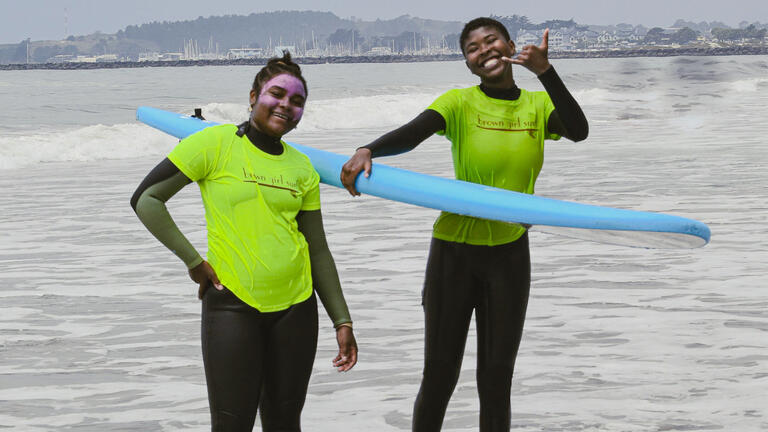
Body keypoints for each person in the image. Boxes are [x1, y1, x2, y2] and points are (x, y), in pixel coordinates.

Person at [340, 17, 588, 431]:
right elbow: (412, 134)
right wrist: (370, 149)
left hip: (509, 255)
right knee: (439, 375)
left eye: (491, 41)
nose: (484, 50)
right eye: (472, 48)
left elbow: (579, 130)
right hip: (453, 254)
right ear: (468, 63)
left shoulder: (537, 106)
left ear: (509, 44)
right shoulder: (458, 103)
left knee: (496, 380)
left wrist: (546, 72)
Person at [131, 52, 357, 432]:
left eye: (297, 101)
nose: (286, 105)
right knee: (232, 423)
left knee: (285, 421)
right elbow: (147, 200)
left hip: (297, 307)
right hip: (233, 304)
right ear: (253, 96)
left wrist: (342, 318)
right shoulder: (214, 143)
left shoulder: (302, 167)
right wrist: (193, 261)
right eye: (277, 94)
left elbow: (317, 248)